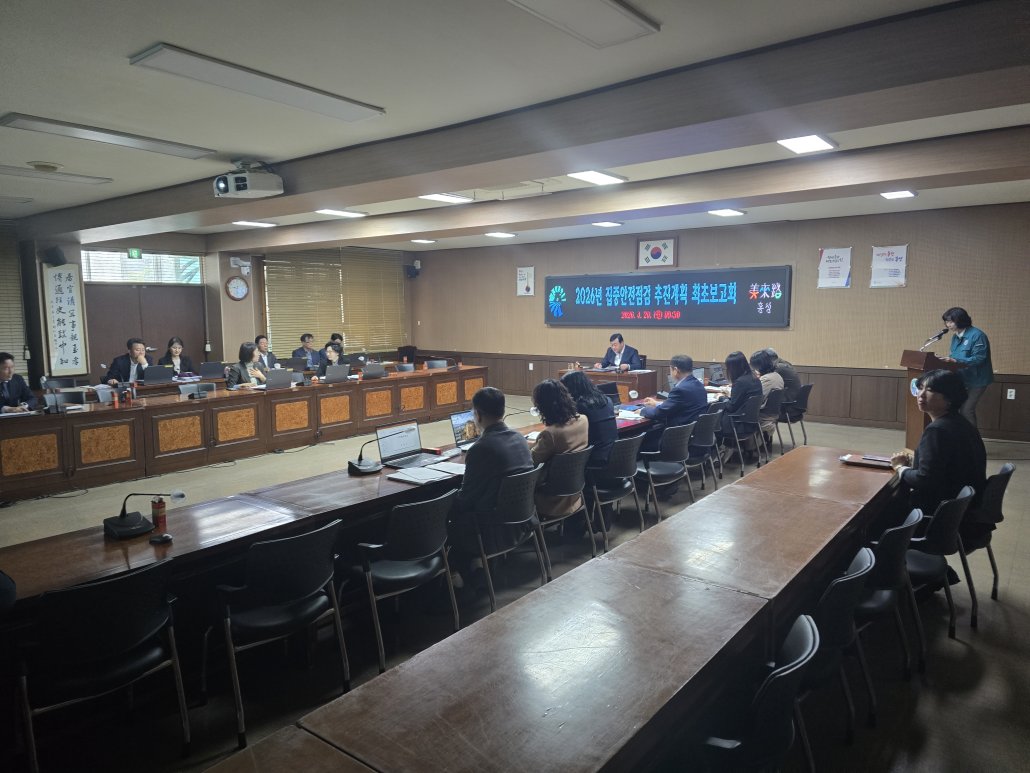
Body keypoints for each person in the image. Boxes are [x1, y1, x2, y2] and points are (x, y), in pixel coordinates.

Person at [448, 387, 534, 584]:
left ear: (478, 415)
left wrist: (444, 503)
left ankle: (462, 580)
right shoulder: (520, 438)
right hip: (523, 520)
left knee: (449, 518)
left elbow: (466, 499)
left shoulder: (481, 448)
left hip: (492, 528)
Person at [890, 369, 987, 541]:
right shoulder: (962, 424)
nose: (921, 395)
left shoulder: (937, 430)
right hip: (964, 514)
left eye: (930, 390)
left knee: (877, 512)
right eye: (920, 388)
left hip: (938, 519)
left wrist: (900, 468)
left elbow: (924, 479)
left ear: (949, 398)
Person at [530, 379, 588, 519]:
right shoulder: (583, 420)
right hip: (575, 490)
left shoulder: (551, 434)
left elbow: (531, 461)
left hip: (551, 496)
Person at [638, 354, 707, 452]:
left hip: (676, 440)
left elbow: (658, 413)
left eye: (670, 369)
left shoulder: (680, 389)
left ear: (675, 370)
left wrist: (642, 410)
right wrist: (656, 404)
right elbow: (678, 404)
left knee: (639, 442)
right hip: (692, 437)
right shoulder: (697, 384)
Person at [939, 307, 993, 428]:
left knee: (966, 410)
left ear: (961, 320)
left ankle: (972, 437)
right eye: (946, 322)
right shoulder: (955, 336)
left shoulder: (977, 335)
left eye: (951, 321)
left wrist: (956, 360)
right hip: (961, 378)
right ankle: (961, 434)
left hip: (977, 380)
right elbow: (954, 356)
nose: (948, 325)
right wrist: (943, 360)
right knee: (955, 408)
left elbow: (979, 358)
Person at [560, 369, 617, 471]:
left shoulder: (579, 406)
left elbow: (567, 431)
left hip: (593, 458)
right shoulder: (607, 400)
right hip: (613, 454)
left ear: (572, 388)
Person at [715, 350, 763, 440]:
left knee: (709, 422)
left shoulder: (740, 382)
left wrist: (721, 397)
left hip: (737, 424)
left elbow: (731, 407)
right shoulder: (754, 378)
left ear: (733, 368)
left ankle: (717, 447)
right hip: (750, 422)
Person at [750, 349, 784, 438]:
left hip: (762, 415)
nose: (753, 369)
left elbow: (754, 398)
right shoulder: (777, 376)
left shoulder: (766, 379)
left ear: (759, 366)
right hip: (772, 414)